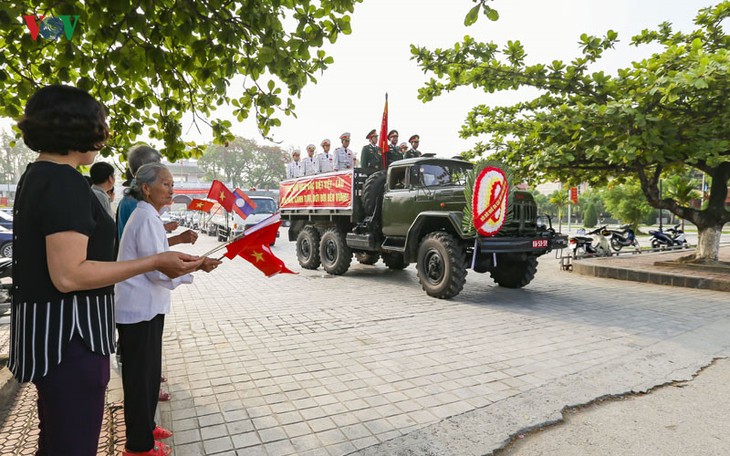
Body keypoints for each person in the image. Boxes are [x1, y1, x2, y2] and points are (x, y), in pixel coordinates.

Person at [9, 84, 204, 456]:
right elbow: (69, 275)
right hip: (70, 339)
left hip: (50, 336)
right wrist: (154, 261)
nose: (104, 135)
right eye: (100, 124)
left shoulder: (38, 175)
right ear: (77, 127)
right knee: (73, 442)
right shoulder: (63, 181)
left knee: (57, 438)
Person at [116, 163, 220, 456]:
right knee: (139, 379)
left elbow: (163, 256)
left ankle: (146, 428)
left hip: (149, 307)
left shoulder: (150, 216)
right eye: (165, 184)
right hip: (138, 310)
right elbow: (159, 269)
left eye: (173, 184)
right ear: (146, 188)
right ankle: (138, 447)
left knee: (149, 374)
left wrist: (196, 261)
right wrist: (198, 265)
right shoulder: (145, 218)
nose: (171, 190)